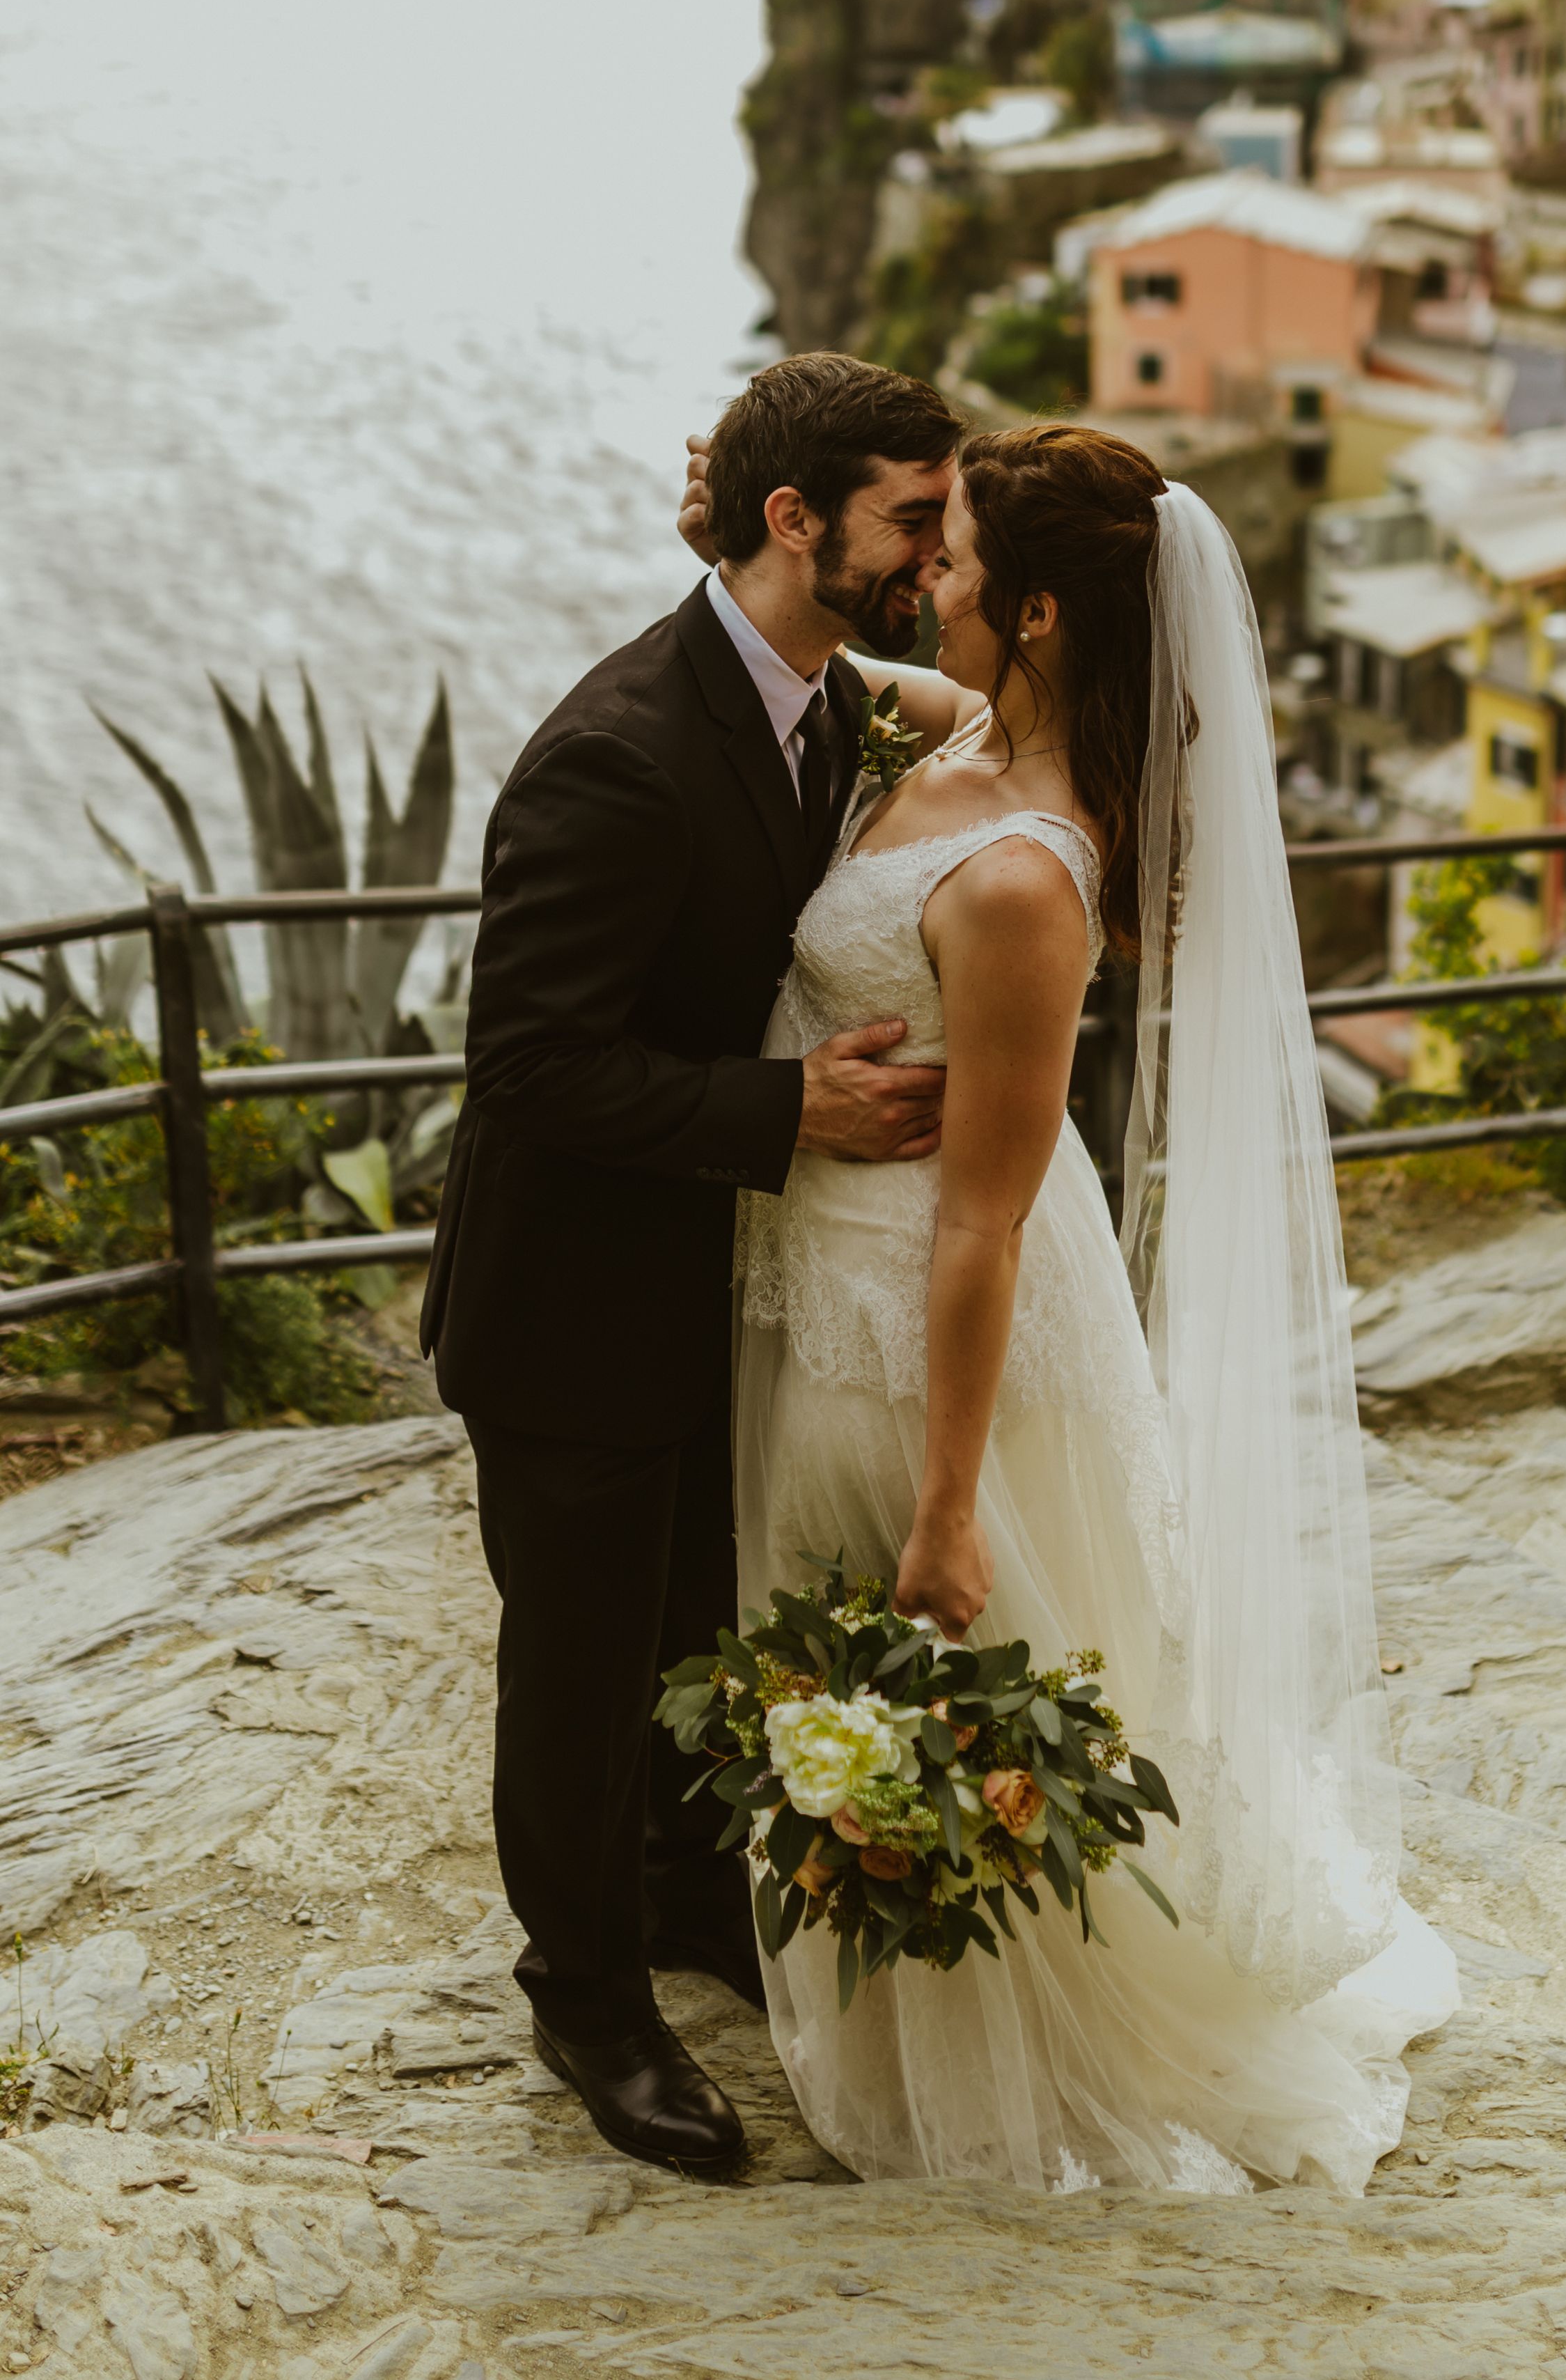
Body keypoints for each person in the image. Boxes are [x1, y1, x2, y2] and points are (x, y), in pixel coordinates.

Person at [680, 416, 1459, 2191]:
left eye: (949, 561)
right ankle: (886, 1986)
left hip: (931, 1337)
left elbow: (986, 1225)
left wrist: (953, 1504)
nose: (921, 576)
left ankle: (1006, 2046)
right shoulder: (965, 734)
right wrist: (728, 553)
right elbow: (844, 664)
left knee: (942, 1642)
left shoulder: (1029, 872)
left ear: (1033, 616)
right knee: (843, 1643)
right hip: (829, 1278)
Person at [422, 352, 965, 2175]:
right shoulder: (620, 750)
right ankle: (583, 1986)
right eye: (913, 514)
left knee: (688, 1631)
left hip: (707, 1284)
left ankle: (672, 1896)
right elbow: (529, 1064)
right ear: (798, 520)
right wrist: (786, 1107)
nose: (936, 547)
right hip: (573, 1304)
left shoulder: (825, 694)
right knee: (577, 1665)